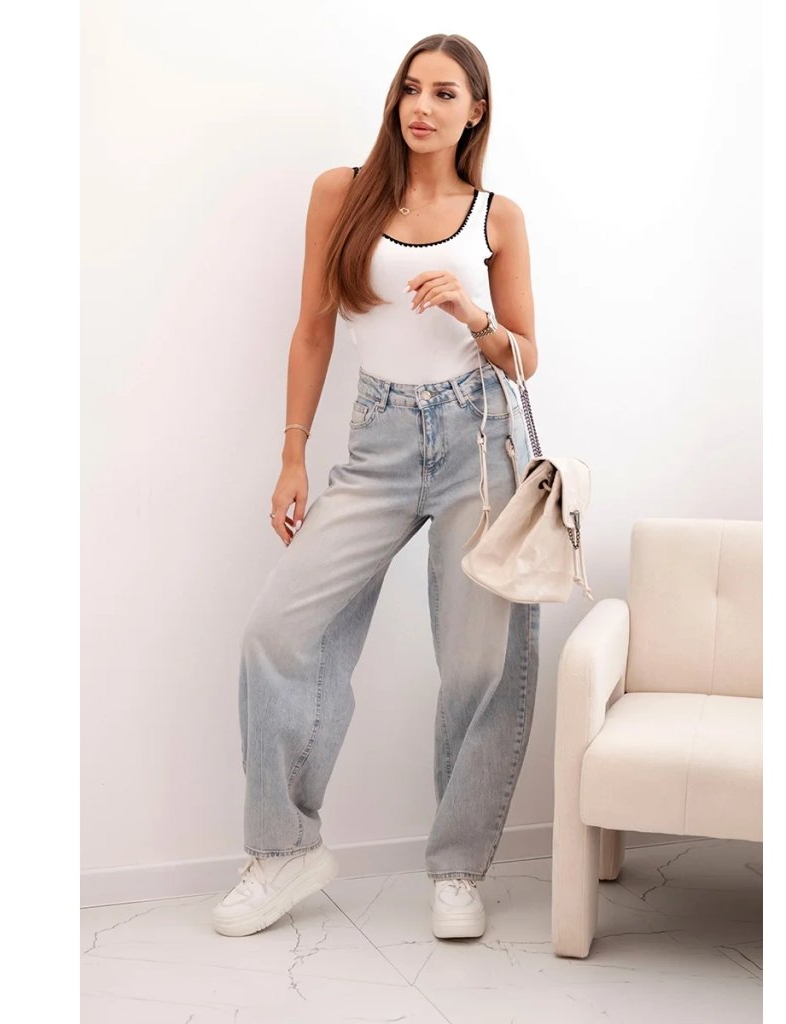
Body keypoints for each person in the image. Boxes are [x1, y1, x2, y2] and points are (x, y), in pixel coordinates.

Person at [213, 33, 541, 941]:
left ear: (475, 111)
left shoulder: (497, 217)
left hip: (479, 444)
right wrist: (292, 455)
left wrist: (473, 314)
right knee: (277, 632)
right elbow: (313, 329)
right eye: (411, 89)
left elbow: (525, 358)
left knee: (476, 665)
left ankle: (458, 868)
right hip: (377, 442)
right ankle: (284, 850)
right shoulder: (343, 192)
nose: (421, 107)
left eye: (444, 93)